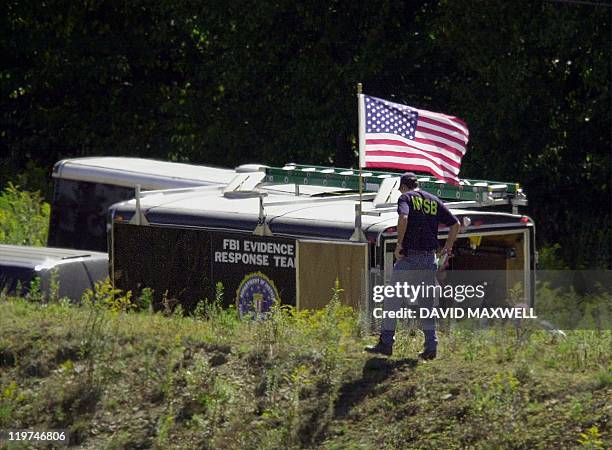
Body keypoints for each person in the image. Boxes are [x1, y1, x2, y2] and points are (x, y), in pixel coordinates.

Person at [365, 172, 460, 359]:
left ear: (403, 186)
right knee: (426, 304)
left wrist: (399, 244)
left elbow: (404, 218)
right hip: (429, 259)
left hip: (410, 259)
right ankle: (431, 347)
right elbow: (455, 225)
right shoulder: (433, 200)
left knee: (392, 300)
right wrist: (447, 248)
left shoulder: (405, 198)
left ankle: (386, 343)